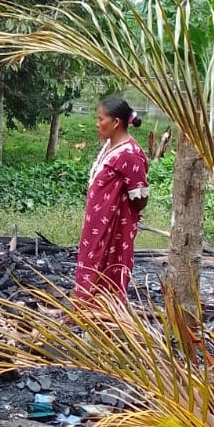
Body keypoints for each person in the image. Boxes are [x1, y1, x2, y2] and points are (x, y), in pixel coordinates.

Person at [74, 96, 149, 303]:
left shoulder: (130, 155)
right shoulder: (110, 146)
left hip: (114, 229)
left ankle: (104, 317)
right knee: (91, 261)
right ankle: (87, 312)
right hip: (96, 225)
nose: (97, 124)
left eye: (101, 119)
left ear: (116, 122)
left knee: (107, 267)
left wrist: (124, 216)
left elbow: (140, 195)